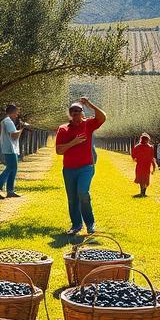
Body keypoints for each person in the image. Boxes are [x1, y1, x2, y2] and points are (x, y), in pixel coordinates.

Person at [55, 96, 106, 236]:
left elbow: (102, 117)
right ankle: (76, 225)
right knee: (72, 198)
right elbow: (59, 151)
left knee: (83, 193)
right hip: (69, 169)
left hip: (86, 167)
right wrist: (74, 142)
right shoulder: (63, 129)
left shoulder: (88, 124)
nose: (76, 113)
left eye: (78, 110)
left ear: (83, 112)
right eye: (73, 111)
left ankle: (90, 224)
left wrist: (90, 104)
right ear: (70, 114)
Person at [0, 103, 28, 199]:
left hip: (10, 148)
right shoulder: (8, 121)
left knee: (13, 169)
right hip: (10, 148)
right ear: (12, 112)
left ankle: (10, 191)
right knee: (10, 168)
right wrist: (22, 128)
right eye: (16, 113)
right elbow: (14, 135)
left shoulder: (7, 121)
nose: (17, 115)